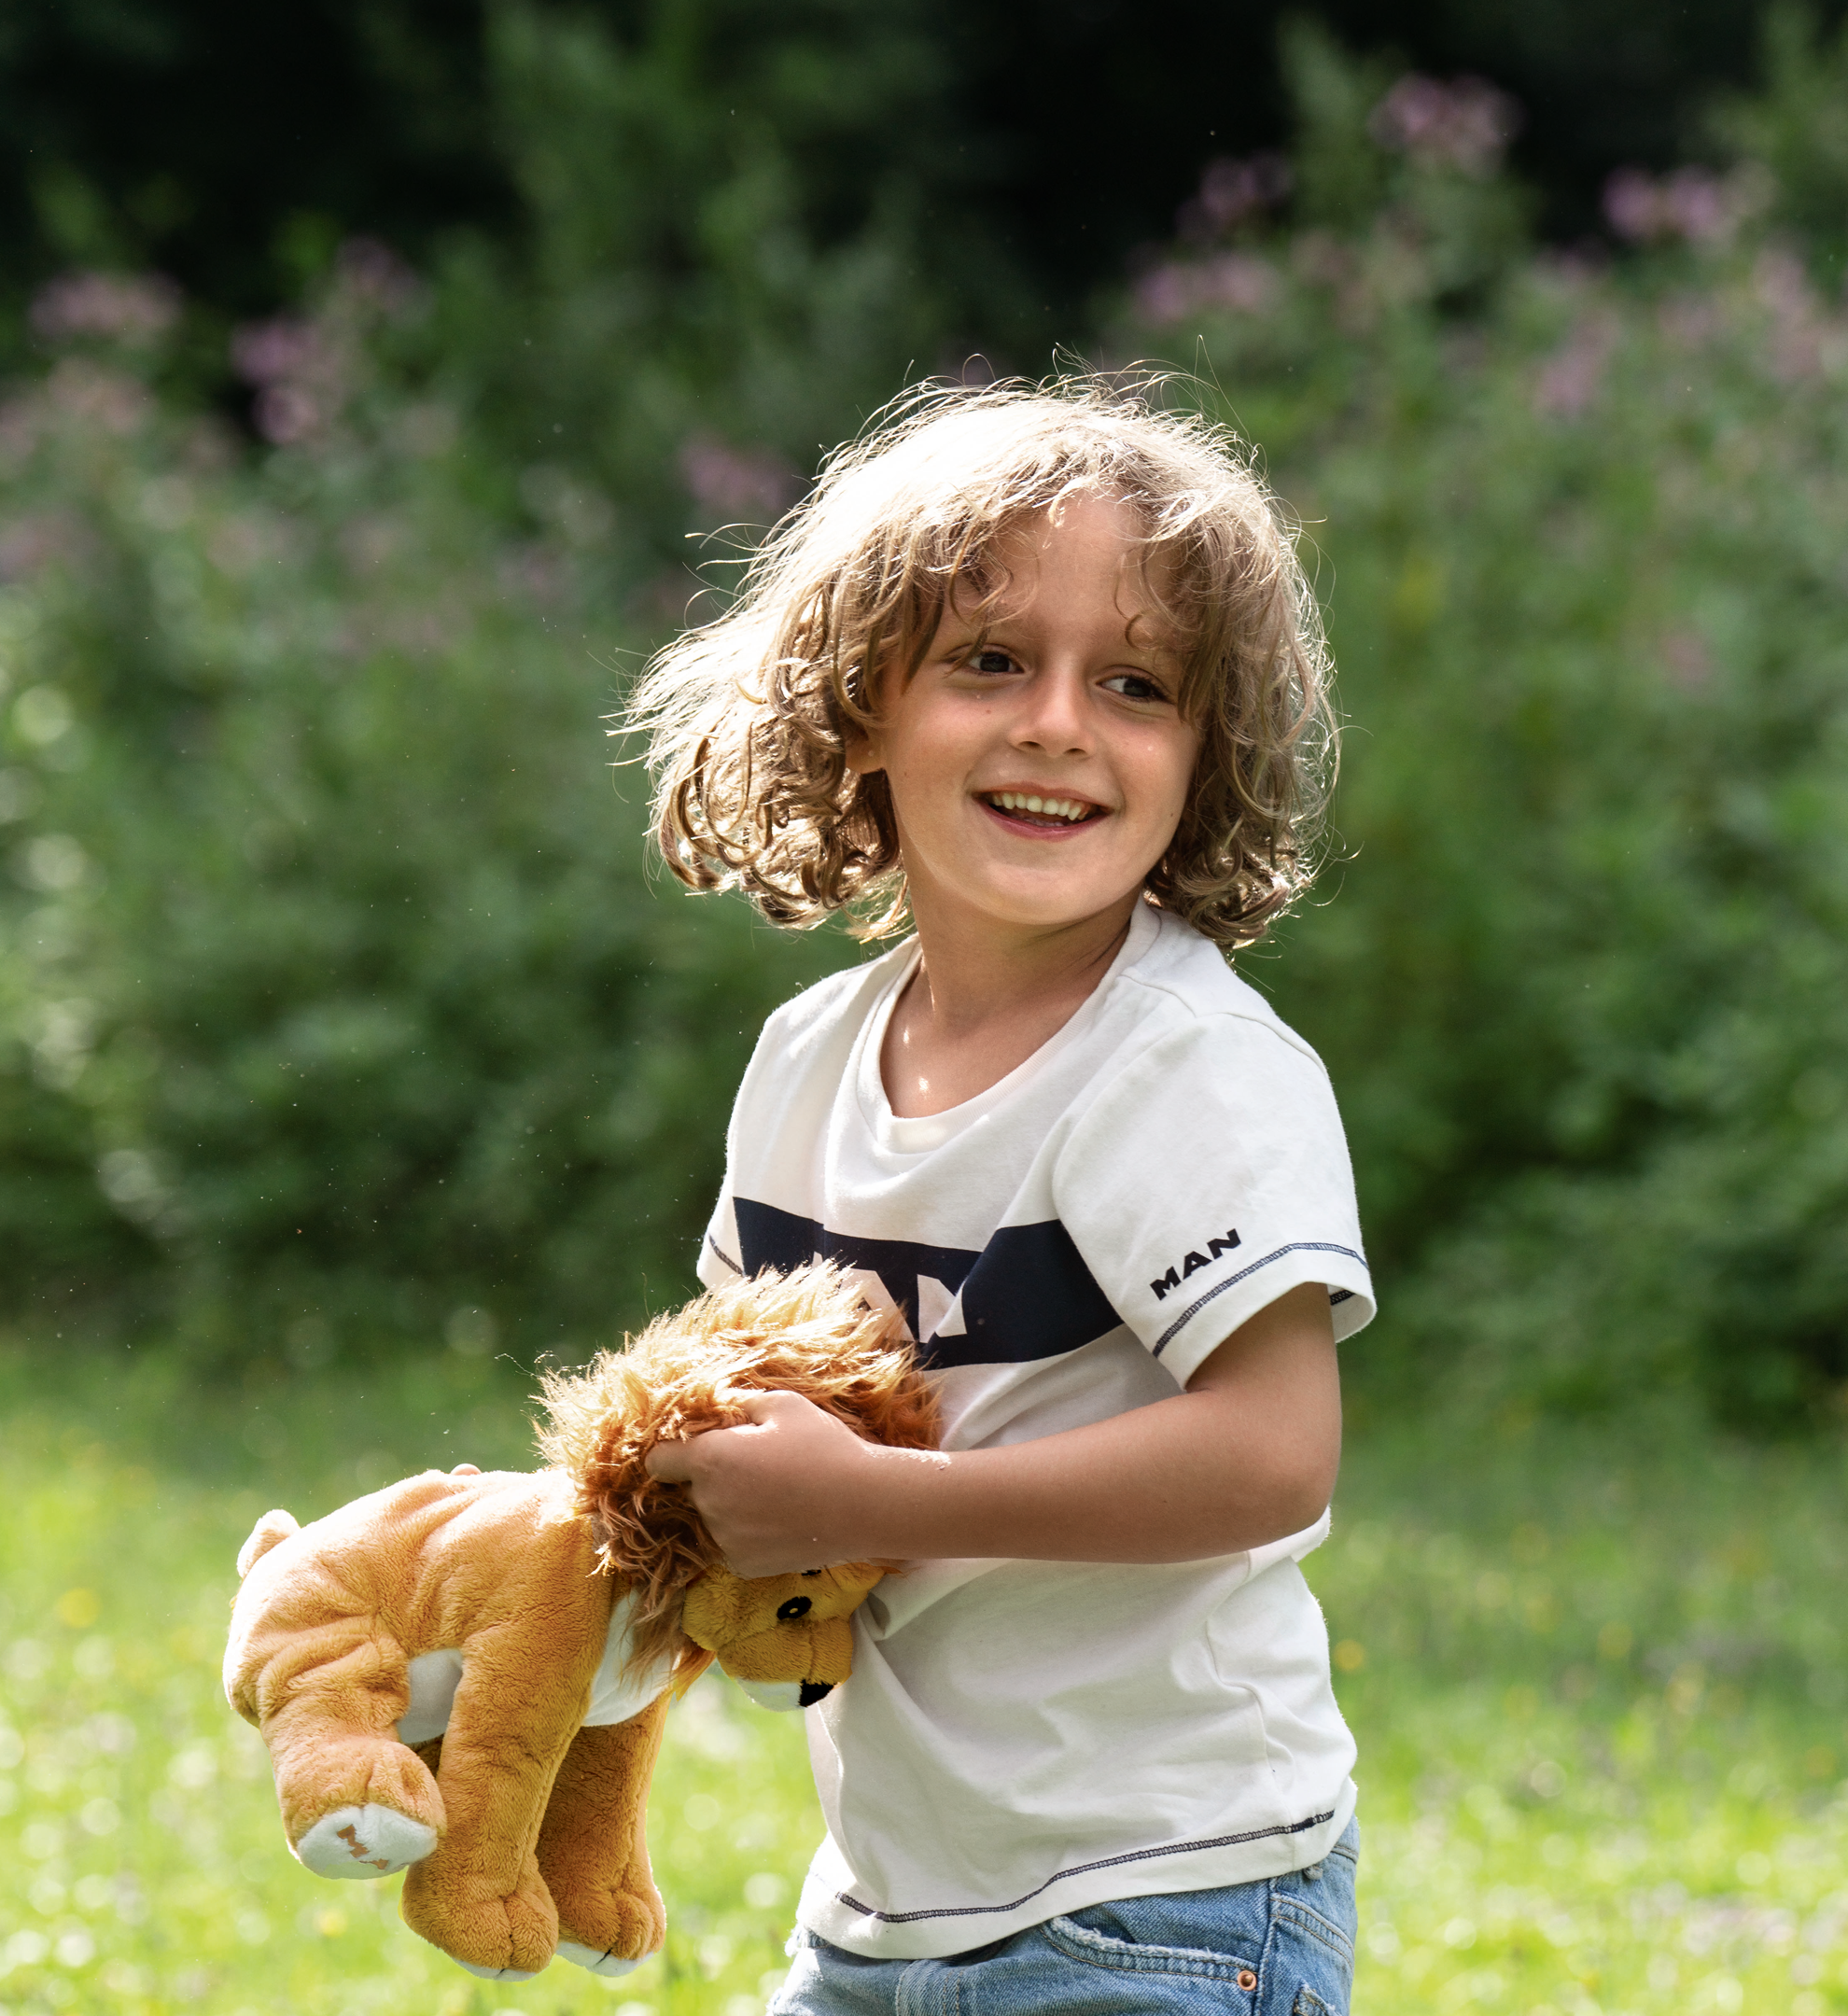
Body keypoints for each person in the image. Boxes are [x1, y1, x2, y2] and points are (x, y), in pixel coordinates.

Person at [634, 375, 1372, 2015]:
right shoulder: (808, 1060)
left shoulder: (1181, 1066)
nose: (1058, 721)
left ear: (1207, 753)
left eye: (1136, 683)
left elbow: (1272, 1453)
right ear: (856, 708)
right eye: (988, 662)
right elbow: (745, 1429)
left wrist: (876, 1506)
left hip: (1166, 1897)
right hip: (888, 1912)